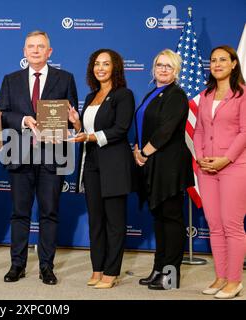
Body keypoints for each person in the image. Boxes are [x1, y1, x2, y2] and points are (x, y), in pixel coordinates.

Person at [0, 30, 78, 285]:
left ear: (49, 52)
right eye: (31, 46)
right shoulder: (11, 80)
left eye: (40, 46)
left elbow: (70, 118)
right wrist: (23, 119)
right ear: (24, 51)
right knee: (19, 213)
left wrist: (71, 121)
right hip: (19, 154)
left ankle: (47, 267)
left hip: (52, 156)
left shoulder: (65, 78)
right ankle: (17, 265)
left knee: (49, 213)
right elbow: (2, 114)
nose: (35, 50)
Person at [68, 49, 135, 289]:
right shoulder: (90, 97)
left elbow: (121, 129)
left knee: (114, 222)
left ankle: (111, 271)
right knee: (95, 221)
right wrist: (77, 123)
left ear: (115, 67)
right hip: (91, 164)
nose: (101, 68)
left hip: (114, 165)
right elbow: (84, 132)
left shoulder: (123, 95)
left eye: (106, 64)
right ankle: (97, 268)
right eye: (97, 64)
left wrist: (91, 136)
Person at [133, 49, 193, 290]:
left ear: (176, 70)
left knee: (171, 219)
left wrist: (144, 152)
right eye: (160, 64)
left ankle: (171, 275)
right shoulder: (153, 93)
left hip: (170, 166)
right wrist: (138, 151)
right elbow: (141, 126)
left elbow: (166, 130)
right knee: (159, 219)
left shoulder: (176, 94)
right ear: (153, 67)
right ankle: (158, 269)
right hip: (151, 164)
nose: (164, 69)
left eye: (169, 66)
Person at [194, 45, 246, 299]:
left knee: (231, 225)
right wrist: (201, 157)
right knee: (214, 225)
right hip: (207, 168)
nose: (217, 64)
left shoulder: (243, 94)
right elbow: (200, 131)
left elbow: (245, 132)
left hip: (235, 167)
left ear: (234, 63)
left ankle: (235, 281)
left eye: (223, 60)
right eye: (213, 60)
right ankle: (221, 276)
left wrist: (225, 158)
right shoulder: (205, 95)